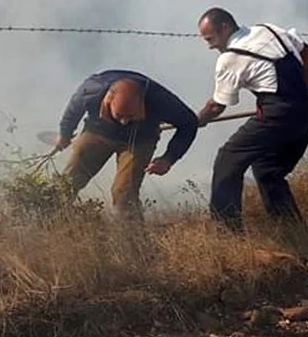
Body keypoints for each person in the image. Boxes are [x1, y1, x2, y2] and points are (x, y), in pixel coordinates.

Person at [194, 7, 308, 233]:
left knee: (228, 158)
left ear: (225, 28)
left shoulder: (230, 58)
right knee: (267, 169)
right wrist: (305, 92)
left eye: (210, 39)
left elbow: (216, 106)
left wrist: (194, 121)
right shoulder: (268, 29)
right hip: (307, 113)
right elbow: (307, 52)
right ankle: (293, 231)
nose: (210, 46)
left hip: (278, 118)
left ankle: (226, 233)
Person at [52, 70, 199, 223]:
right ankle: (51, 222)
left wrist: (168, 159)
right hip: (98, 132)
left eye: (131, 116)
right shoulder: (91, 90)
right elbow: (73, 111)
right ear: (107, 101)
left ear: (141, 103)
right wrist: (64, 133)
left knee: (125, 192)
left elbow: (189, 123)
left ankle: (132, 239)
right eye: (120, 115)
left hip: (140, 140)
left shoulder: (160, 100)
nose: (124, 122)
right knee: (68, 182)